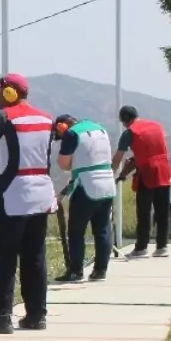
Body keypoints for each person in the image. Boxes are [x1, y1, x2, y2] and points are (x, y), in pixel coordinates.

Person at [0, 74, 57, 334]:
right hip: (42, 194)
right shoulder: (47, 118)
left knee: (3, 256)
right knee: (35, 255)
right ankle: (36, 315)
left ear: (9, 93)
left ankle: (0, 317)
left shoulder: (2, 117)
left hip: (13, 195)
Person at [52, 114, 116, 282]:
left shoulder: (71, 134)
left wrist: (73, 162)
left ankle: (76, 271)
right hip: (108, 184)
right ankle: (100, 270)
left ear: (62, 127)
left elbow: (63, 163)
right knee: (102, 228)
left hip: (86, 186)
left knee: (76, 231)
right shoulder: (100, 128)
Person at [113, 105, 171, 258]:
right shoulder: (157, 126)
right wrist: (124, 174)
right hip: (165, 170)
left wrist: (112, 174)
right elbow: (145, 154)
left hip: (147, 173)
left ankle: (141, 248)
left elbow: (118, 158)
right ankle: (162, 246)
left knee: (144, 212)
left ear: (126, 120)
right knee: (162, 211)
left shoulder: (129, 133)